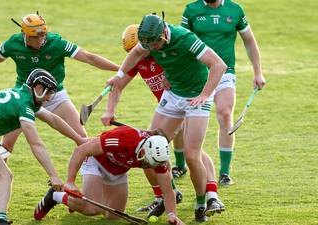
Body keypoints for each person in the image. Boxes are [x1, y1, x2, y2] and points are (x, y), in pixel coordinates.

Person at [0, 13, 119, 205]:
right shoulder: (13, 43)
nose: (41, 40)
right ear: (24, 35)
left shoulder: (56, 42)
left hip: (55, 96)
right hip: (24, 97)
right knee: (6, 146)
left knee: (82, 139)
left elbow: (89, 57)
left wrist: (121, 70)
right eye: (35, 37)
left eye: (43, 35)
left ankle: (95, 187)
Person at [107, 14, 227, 221]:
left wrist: (205, 95)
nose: (151, 49)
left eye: (154, 43)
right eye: (148, 45)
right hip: (173, 96)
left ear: (163, 33)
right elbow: (135, 53)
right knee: (148, 146)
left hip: (197, 97)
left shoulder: (185, 39)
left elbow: (218, 65)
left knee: (191, 154)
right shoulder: (148, 43)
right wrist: (118, 75)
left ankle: (201, 202)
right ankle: (169, 195)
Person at [0, 69, 87, 225]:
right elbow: (36, 144)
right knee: (4, 174)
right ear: (38, 88)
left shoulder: (24, 95)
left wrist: (79, 139)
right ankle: (1, 219)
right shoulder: (25, 104)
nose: (48, 98)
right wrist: (53, 175)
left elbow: (52, 119)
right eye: (47, 93)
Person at [181, 0, 266, 185]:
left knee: (225, 114)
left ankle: (225, 172)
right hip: (198, 74)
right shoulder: (191, 10)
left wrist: (258, 72)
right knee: (186, 120)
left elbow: (249, 41)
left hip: (225, 72)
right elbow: (182, 43)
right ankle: (180, 164)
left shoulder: (235, 10)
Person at [33, 125, 185, 225]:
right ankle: (55, 196)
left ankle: (78, 202)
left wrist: (172, 214)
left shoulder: (158, 159)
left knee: (113, 216)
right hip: (96, 163)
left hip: (118, 169)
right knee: (92, 209)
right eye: (148, 162)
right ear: (144, 151)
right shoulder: (124, 138)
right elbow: (81, 150)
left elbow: (167, 190)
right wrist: (70, 181)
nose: (149, 167)